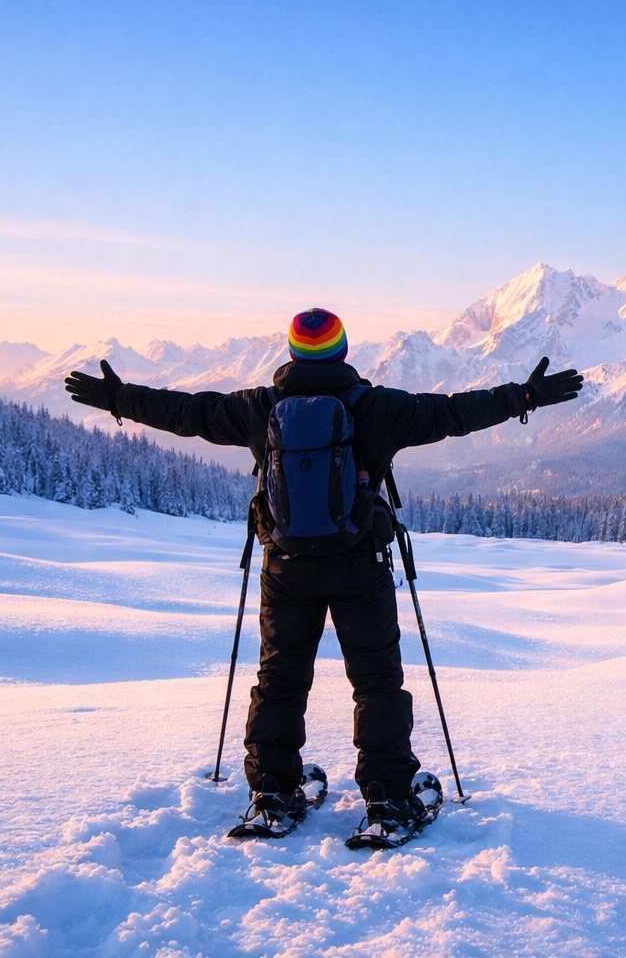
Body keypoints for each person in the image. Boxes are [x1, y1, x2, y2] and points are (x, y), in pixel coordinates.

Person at [64, 307, 582, 834]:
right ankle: (387, 797)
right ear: (343, 352)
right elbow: (452, 413)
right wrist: (525, 396)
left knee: (280, 680)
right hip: (360, 563)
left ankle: (272, 791)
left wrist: (117, 398)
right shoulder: (377, 406)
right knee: (376, 681)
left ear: (290, 354)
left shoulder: (259, 408)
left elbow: (186, 413)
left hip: (285, 567)